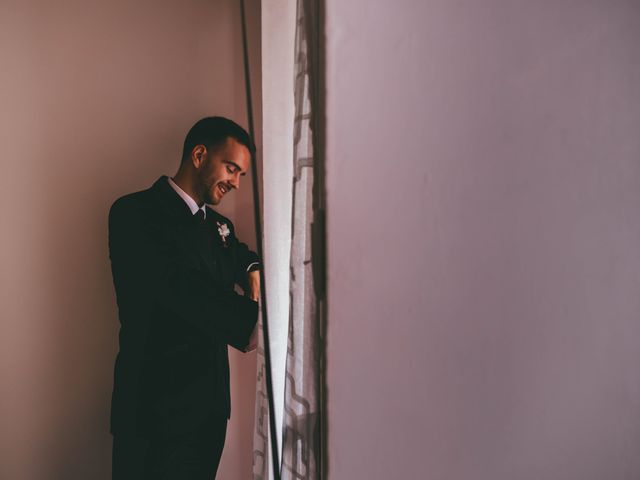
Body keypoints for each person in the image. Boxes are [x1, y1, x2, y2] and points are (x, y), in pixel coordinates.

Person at [108, 116, 261, 479]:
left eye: (241, 174)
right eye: (231, 168)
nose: (236, 183)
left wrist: (252, 266)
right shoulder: (134, 213)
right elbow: (181, 288)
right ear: (198, 155)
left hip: (209, 415)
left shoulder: (218, 227)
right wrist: (255, 323)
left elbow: (238, 255)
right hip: (152, 413)